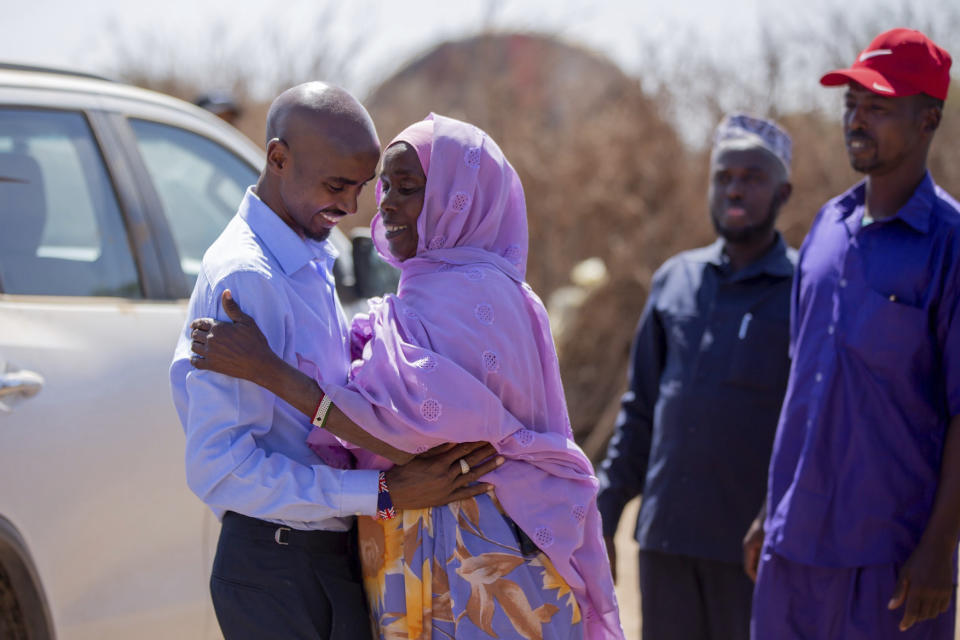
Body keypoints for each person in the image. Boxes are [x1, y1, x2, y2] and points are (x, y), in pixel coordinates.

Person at [189, 114, 625, 639]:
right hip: (426, 550)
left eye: (409, 188)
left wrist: (270, 372)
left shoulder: (476, 293)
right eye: (386, 187)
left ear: (460, 197)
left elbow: (406, 431)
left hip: (479, 557)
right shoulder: (424, 287)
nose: (382, 204)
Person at [170, 84, 502, 640]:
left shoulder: (310, 253)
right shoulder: (246, 278)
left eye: (361, 188)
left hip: (323, 560)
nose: (351, 207)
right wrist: (382, 495)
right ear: (278, 158)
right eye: (337, 185)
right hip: (277, 570)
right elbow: (221, 469)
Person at [747, 28, 960, 639]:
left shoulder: (948, 245)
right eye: (851, 105)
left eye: (879, 107)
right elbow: (804, 386)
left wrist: (940, 549)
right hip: (792, 550)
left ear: (929, 119)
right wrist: (770, 510)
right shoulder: (825, 228)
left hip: (891, 564)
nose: (857, 121)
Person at [595, 114, 795, 640]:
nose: (735, 189)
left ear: (783, 191)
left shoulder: (804, 290)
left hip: (753, 550)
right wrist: (607, 508)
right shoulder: (674, 280)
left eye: (753, 177)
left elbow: (813, 428)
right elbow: (639, 411)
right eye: (724, 176)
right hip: (665, 543)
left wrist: (781, 519)